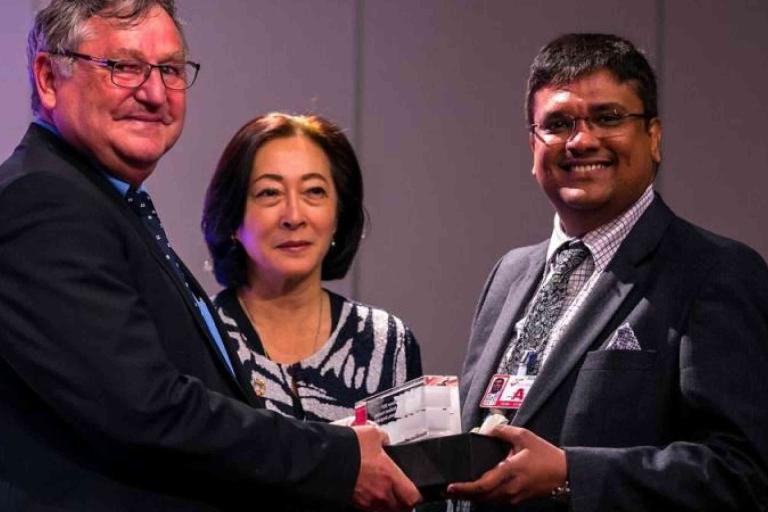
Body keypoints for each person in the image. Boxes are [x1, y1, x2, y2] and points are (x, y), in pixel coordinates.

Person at [0, 1, 419, 511]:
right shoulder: (44, 202)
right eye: (124, 67)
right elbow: (146, 411)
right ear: (49, 77)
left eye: (170, 70)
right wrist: (338, 461)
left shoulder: (99, 200)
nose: (154, 93)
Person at [447, 33, 768, 511]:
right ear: (533, 146)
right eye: (558, 124)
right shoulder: (508, 274)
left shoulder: (714, 271)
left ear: (654, 137)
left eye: (608, 117)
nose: (581, 141)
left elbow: (742, 474)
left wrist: (572, 475)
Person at [202, 112, 422, 423]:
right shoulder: (198, 336)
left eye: (314, 192)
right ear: (232, 218)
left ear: (338, 214)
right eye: (269, 193)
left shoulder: (387, 343)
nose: (294, 216)